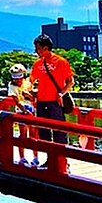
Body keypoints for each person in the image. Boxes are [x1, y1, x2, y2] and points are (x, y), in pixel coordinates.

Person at [30, 34, 75, 170]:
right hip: (41, 102)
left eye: (38, 48)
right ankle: (50, 160)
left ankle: (63, 162)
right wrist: (27, 89)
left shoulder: (60, 62)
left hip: (55, 102)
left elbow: (70, 81)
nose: (36, 51)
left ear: (46, 48)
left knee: (59, 133)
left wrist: (61, 93)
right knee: (44, 132)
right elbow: (31, 80)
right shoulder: (38, 64)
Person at [7, 63, 39, 167]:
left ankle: (35, 157)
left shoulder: (28, 83)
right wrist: (24, 111)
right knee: (23, 135)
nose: (18, 81)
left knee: (33, 135)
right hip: (21, 111)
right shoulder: (12, 86)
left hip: (32, 109)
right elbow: (17, 101)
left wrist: (28, 95)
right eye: (15, 78)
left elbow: (34, 99)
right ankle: (22, 157)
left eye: (19, 78)